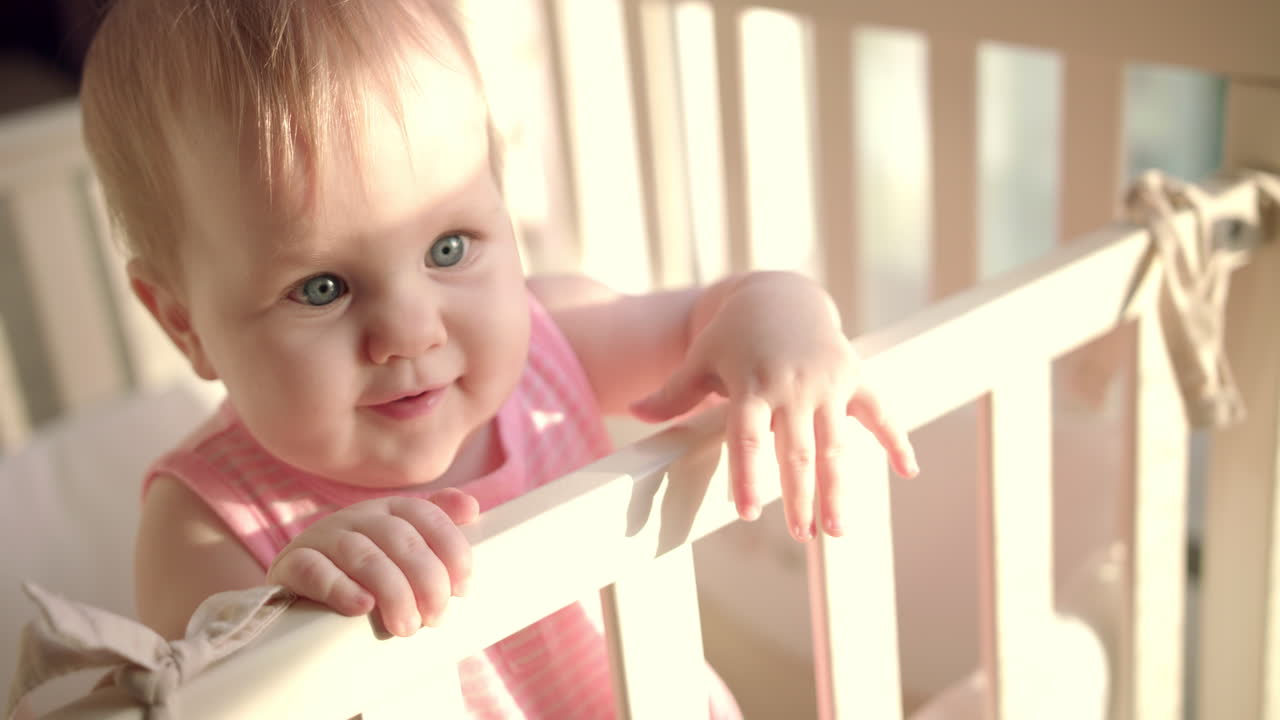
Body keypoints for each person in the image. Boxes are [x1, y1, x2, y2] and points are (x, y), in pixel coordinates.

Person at [79, 0, 919, 716]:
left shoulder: (550, 339)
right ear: (183, 323)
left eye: (449, 247)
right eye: (322, 287)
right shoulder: (203, 524)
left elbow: (718, 316)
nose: (410, 333)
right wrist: (295, 609)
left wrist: (788, 318)